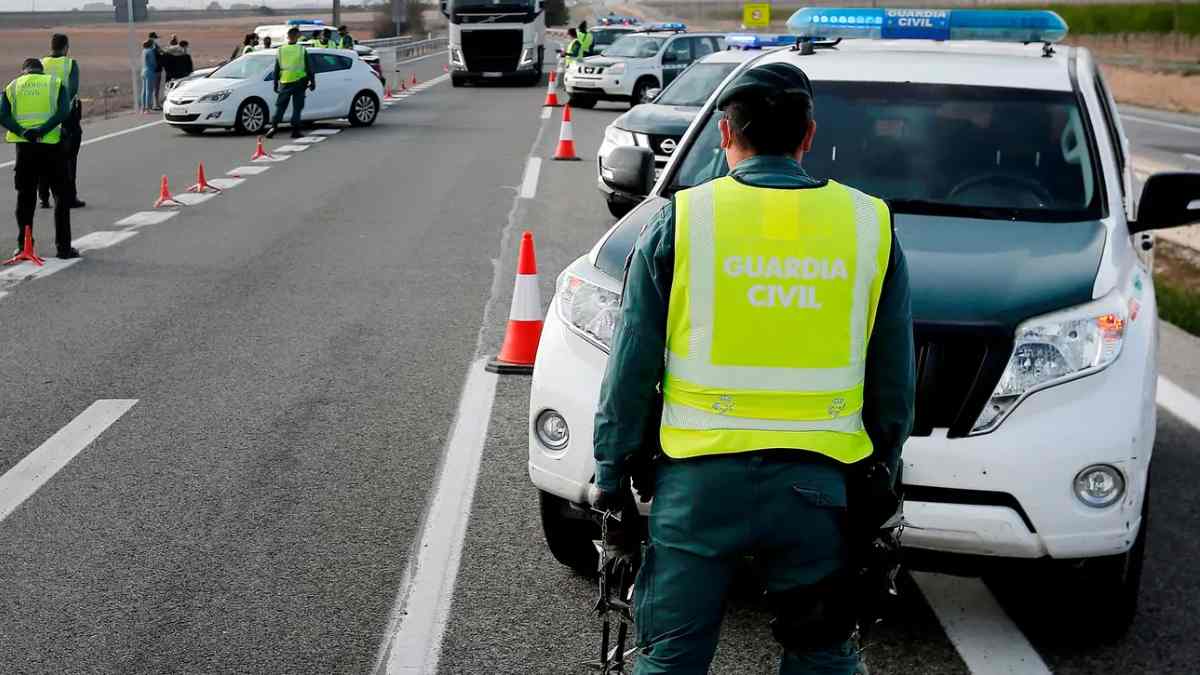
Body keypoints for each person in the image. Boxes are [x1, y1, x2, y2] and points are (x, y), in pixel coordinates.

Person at [592, 63, 914, 675]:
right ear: (809, 135)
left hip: (697, 486)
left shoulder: (682, 220)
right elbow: (894, 377)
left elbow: (631, 364)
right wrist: (884, 470)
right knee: (822, 655)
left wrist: (611, 471)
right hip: (819, 490)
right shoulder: (868, 224)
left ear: (724, 134)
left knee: (670, 659)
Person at [2, 58, 79, 260]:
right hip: (53, 148)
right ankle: (63, 248)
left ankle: (24, 246)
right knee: (61, 198)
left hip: (25, 149)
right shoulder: (54, 84)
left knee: (25, 198)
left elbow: (2, 114)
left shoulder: (12, 86)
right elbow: (64, 111)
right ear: (41, 71)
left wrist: (23, 131)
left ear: (24, 71)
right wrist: (43, 130)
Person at [37, 33, 85, 210]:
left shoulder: (41, 64)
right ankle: (70, 197)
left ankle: (43, 197)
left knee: (44, 157)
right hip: (66, 117)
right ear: (66, 47)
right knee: (69, 158)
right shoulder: (70, 64)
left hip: (44, 118)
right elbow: (72, 90)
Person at [266, 27, 315, 140]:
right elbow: (309, 68)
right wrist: (313, 82)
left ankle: (273, 128)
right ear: (297, 36)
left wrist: (275, 84)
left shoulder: (281, 50)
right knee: (297, 108)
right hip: (299, 83)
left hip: (285, 82)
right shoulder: (302, 50)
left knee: (280, 107)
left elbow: (276, 69)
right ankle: (295, 131)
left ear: (288, 36)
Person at [140, 38, 158, 113]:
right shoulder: (150, 51)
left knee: (143, 90)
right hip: (150, 71)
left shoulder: (144, 51)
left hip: (143, 71)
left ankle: (143, 107)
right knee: (149, 90)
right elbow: (153, 62)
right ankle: (147, 108)